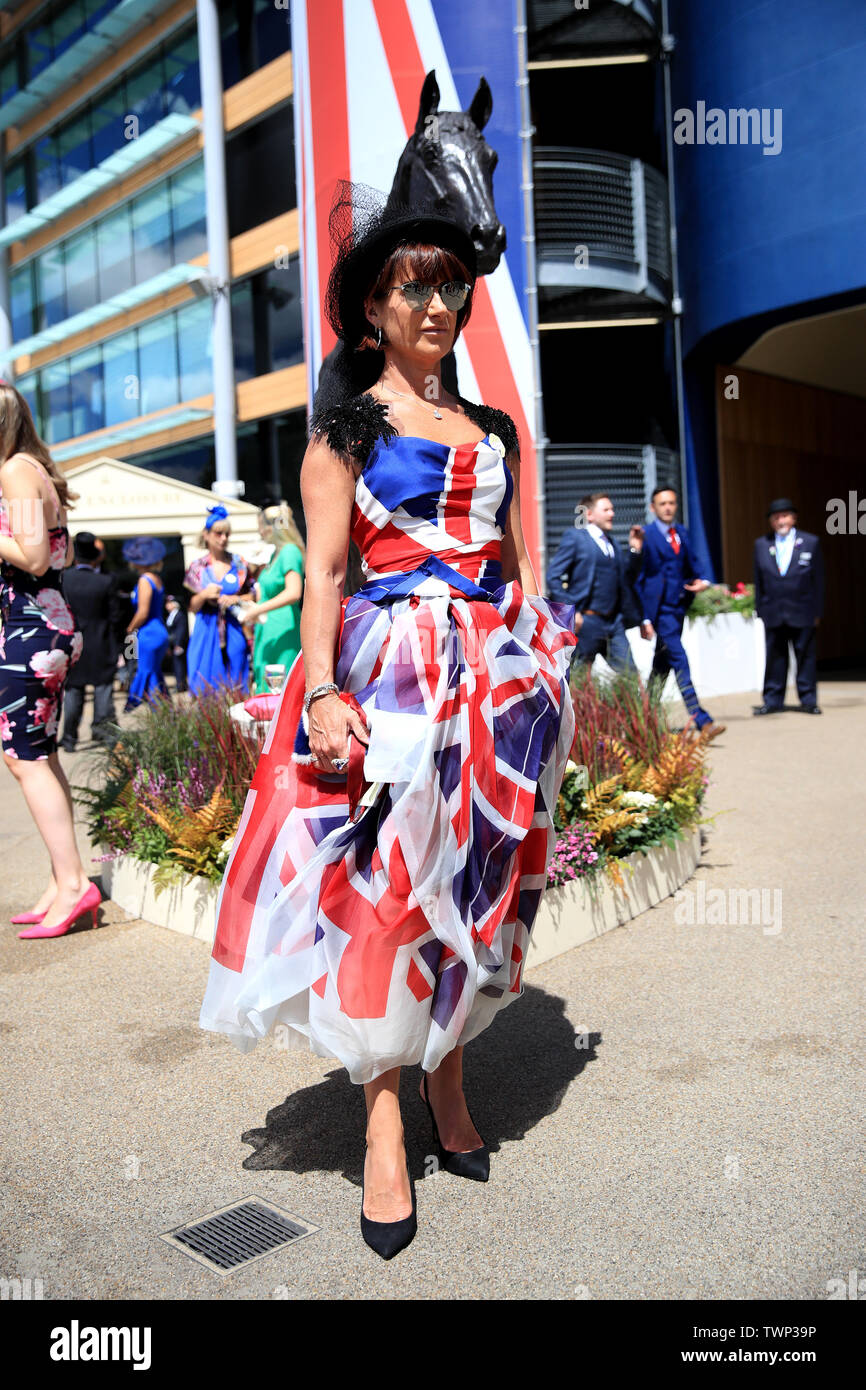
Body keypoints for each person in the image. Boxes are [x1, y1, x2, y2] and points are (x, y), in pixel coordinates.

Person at [198, 179, 577, 1260]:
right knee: (387, 900)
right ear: (372, 306)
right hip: (389, 680)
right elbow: (322, 574)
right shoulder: (344, 429)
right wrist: (319, 690)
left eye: (447, 284)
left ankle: (450, 1082)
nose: (432, 303)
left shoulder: (496, 433)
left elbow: (511, 572)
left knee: (481, 887)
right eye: (409, 285)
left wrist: (540, 676)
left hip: (493, 692)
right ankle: (379, 1122)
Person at [0, 379, 101, 939]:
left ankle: (71, 886)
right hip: (44, 627)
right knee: (40, 755)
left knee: (24, 758)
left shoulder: (13, 469)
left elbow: (34, 558)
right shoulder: (29, 466)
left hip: (31, 629)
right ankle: (63, 879)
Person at [630, 486, 724, 738]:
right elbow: (638, 579)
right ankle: (702, 720)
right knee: (680, 660)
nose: (668, 507)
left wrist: (702, 580)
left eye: (672, 503)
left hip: (678, 607)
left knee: (662, 664)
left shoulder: (680, 532)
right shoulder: (646, 535)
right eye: (662, 504)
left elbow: (693, 563)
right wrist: (644, 617)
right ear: (653, 508)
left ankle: (643, 715)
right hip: (659, 612)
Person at [546, 492, 642, 676]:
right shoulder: (575, 537)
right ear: (589, 514)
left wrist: (635, 550)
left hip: (614, 623)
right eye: (606, 509)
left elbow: (626, 579)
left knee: (630, 676)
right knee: (580, 681)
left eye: (612, 509)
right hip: (586, 622)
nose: (611, 514)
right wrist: (571, 612)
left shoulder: (613, 543)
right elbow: (553, 576)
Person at [753, 497, 824, 716]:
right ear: (771, 522)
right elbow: (758, 579)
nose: (780, 520)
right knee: (775, 657)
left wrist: (818, 611)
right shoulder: (762, 544)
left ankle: (808, 700)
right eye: (776, 517)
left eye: (784, 515)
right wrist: (760, 609)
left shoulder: (810, 542)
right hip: (774, 611)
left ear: (793, 518)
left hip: (802, 610)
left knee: (805, 656)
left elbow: (819, 580)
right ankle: (773, 700)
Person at [59, 531, 123, 750]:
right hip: (101, 644)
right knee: (103, 691)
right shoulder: (106, 581)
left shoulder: (64, 579)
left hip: (72, 644)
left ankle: (69, 739)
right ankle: (103, 733)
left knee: (73, 693)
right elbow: (115, 617)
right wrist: (122, 648)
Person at [183, 505, 252, 696]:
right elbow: (191, 606)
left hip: (233, 627)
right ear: (206, 534)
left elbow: (253, 595)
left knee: (236, 680)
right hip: (206, 628)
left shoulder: (239, 563)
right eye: (218, 533)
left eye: (227, 534)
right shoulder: (197, 567)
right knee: (205, 683)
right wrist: (204, 595)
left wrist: (235, 598)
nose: (223, 538)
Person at [242, 501, 306, 693]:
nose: (260, 533)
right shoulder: (273, 556)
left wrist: (258, 609)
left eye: (262, 527)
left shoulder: (289, 551)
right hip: (268, 628)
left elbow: (294, 592)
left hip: (282, 628)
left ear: (273, 528)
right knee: (267, 681)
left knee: (279, 687)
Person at [122, 537, 170, 710]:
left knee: (145, 672)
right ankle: (165, 712)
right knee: (154, 673)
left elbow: (142, 612)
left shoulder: (144, 580)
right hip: (159, 632)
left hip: (148, 634)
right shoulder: (157, 579)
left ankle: (136, 703)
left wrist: (130, 629)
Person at [164, 595, 190, 693]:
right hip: (172, 644)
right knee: (176, 665)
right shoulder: (170, 616)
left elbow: (181, 631)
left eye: (169, 603)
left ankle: (181, 685)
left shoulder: (179, 615)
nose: (167, 605)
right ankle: (180, 683)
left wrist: (178, 644)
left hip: (178, 644)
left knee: (179, 665)